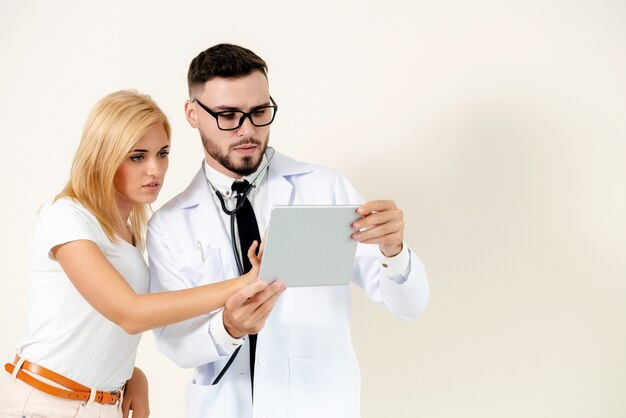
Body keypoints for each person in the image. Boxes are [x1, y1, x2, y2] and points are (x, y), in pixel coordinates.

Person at [148, 44, 430, 418]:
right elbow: (173, 343)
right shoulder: (169, 224)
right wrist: (228, 328)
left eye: (260, 112)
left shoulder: (325, 190)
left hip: (318, 405)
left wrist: (394, 251)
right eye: (228, 115)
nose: (247, 130)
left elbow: (409, 306)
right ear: (192, 114)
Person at [0, 90, 264, 418]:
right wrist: (244, 284)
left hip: (101, 405)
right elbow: (129, 313)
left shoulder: (128, 233)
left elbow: (95, 323)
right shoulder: (66, 215)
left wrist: (131, 374)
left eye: (162, 153)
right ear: (103, 156)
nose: (155, 169)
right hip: (44, 403)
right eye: (137, 156)